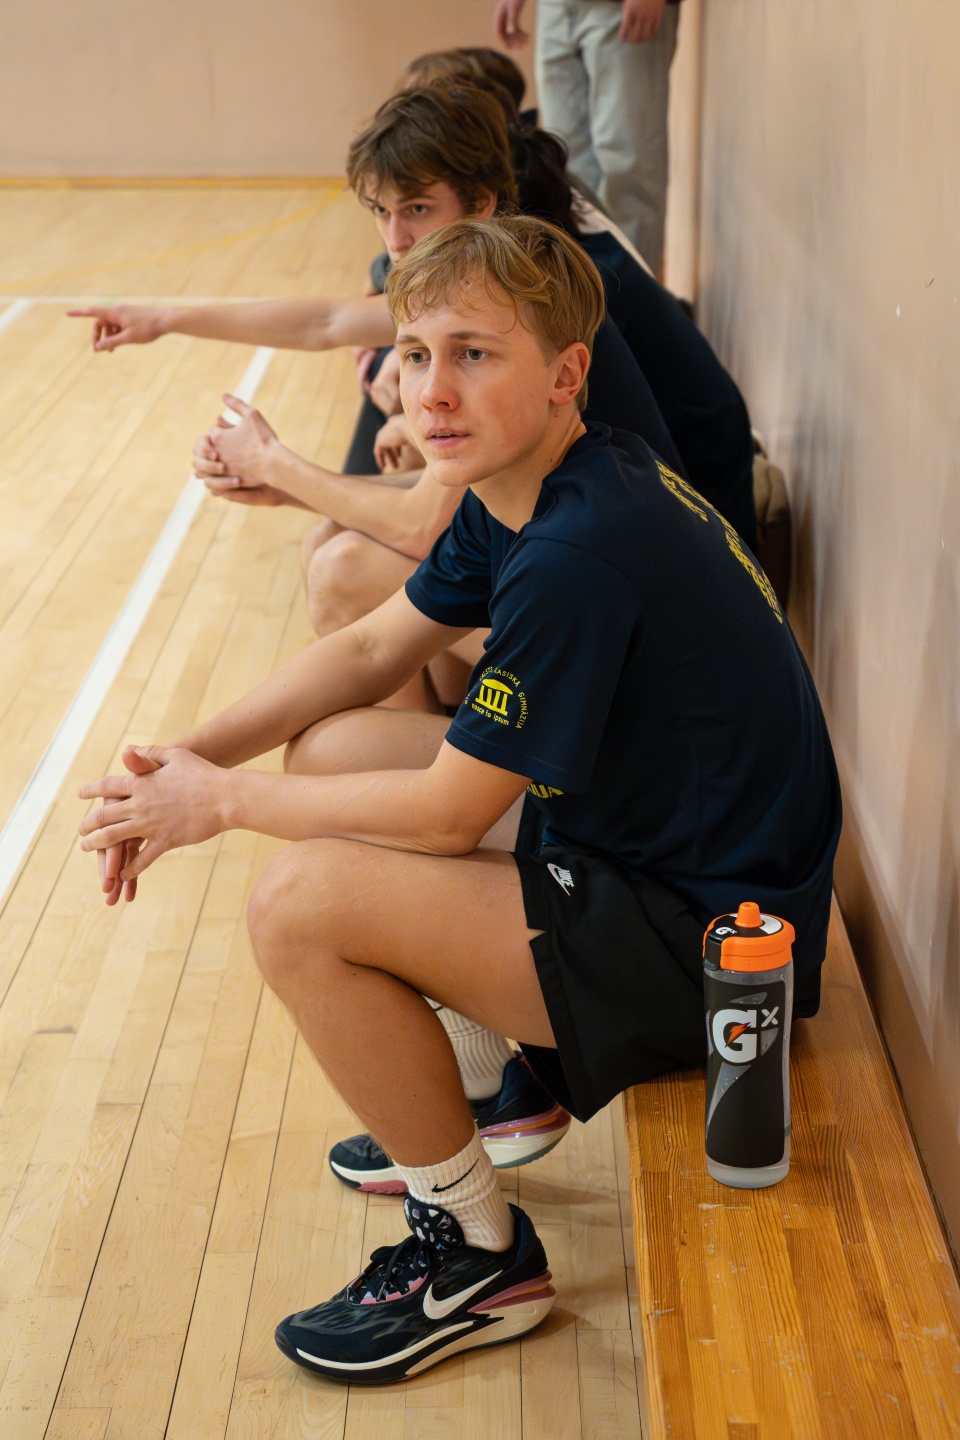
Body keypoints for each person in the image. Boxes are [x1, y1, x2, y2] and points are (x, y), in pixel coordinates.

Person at [77, 216, 841, 1382]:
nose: (431, 389)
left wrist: (220, 805)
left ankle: (477, 1257)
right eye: (417, 352)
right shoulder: (543, 482)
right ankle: (495, 1085)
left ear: (567, 373)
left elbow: (444, 815)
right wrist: (173, 760)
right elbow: (368, 648)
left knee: (297, 903)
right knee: (334, 753)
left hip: (718, 952)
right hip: (670, 854)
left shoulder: (578, 555)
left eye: (474, 354)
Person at [495, 0, 681, 274]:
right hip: (555, 8)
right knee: (565, 170)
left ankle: (633, 296)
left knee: (629, 171)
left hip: (619, 9)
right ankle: (592, 291)